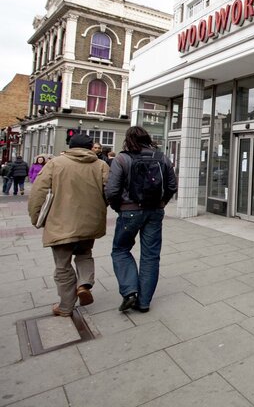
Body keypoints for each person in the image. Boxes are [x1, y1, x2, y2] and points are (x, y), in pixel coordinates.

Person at [27, 133, 110, 316]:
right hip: (90, 222)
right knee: (84, 254)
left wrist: (36, 218)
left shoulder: (55, 163)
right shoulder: (101, 165)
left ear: (70, 146)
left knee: (62, 265)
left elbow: (38, 193)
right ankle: (84, 285)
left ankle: (65, 306)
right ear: (90, 148)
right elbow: (109, 192)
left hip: (60, 223)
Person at [106, 126, 177, 313]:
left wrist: (118, 206)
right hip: (155, 212)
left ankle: (129, 291)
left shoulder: (122, 159)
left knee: (120, 250)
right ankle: (144, 302)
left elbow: (112, 190)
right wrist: (162, 203)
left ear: (127, 140)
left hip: (129, 212)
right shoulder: (161, 157)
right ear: (148, 138)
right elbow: (172, 185)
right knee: (151, 256)